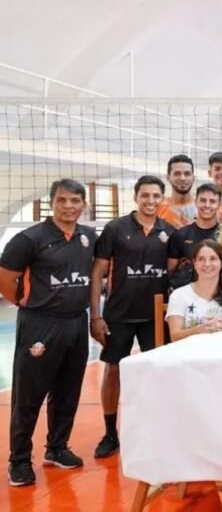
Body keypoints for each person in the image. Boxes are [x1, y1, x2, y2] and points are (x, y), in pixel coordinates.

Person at [0, 179, 96, 486]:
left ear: (84, 204)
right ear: (51, 202)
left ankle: (56, 448)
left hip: (76, 322)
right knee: (29, 395)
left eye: (75, 200)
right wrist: (24, 302)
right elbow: (5, 277)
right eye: (63, 200)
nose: (69, 206)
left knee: (68, 391)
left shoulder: (88, 236)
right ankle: (18, 460)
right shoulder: (29, 239)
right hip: (40, 323)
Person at [89, 175, 176, 459]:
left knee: (156, 372)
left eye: (155, 196)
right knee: (113, 369)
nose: (150, 201)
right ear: (136, 197)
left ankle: (155, 430)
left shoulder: (169, 232)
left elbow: (174, 271)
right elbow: (98, 273)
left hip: (154, 315)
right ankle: (110, 433)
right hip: (119, 313)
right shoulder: (115, 229)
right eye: (145, 195)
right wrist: (95, 316)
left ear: (162, 198)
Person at [165, 240, 222, 341]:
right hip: (190, 354)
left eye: (213, 259)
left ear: (221, 263)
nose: (207, 264)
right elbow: (175, 337)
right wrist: (198, 330)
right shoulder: (178, 295)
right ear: (194, 263)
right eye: (201, 259)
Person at [167, 184, 222, 290]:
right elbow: (170, 271)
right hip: (188, 298)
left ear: (219, 204)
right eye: (203, 200)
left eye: (212, 201)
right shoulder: (180, 235)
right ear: (196, 202)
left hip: (219, 295)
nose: (207, 205)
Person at [156, 154, 197, 228]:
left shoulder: (205, 207)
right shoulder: (157, 209)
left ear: (193, 177)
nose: (182, 178)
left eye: (187, 174)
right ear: (168, 177)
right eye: (177, 174)